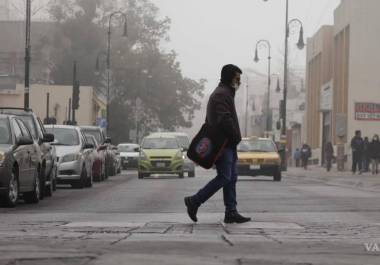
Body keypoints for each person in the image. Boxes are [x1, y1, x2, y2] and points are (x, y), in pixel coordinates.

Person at [184, 64, 251, 224]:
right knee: (225, 177)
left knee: (231, 177)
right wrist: (235, 136)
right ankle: (194, 201)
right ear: (229, 77)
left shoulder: (226, 92)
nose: (239, 81)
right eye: (237, 78)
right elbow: (224, 119)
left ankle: (231, 212)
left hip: (228, 143)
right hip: (223, 143)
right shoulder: (222, 94)